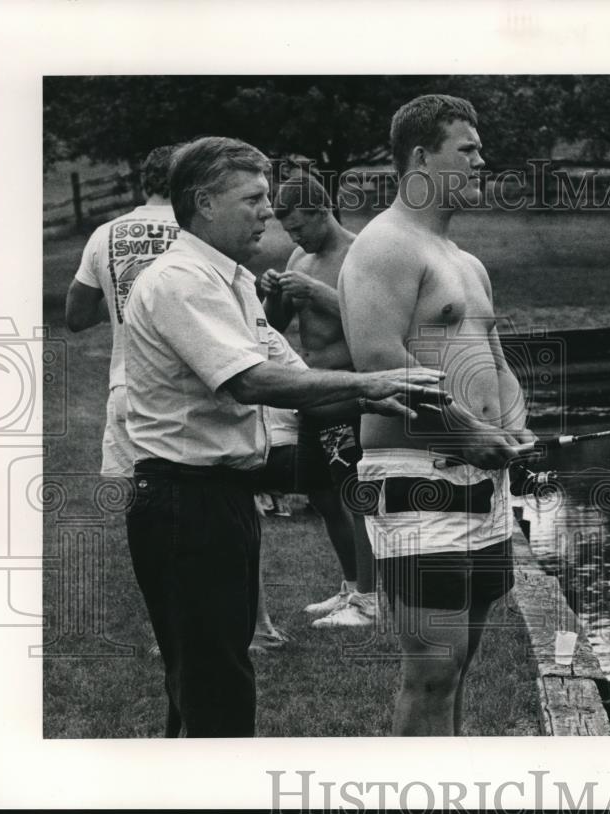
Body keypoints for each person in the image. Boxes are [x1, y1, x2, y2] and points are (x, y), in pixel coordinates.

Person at [123, 135, 447, 737]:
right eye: (253, 198)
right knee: (212, 681)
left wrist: (376, 391)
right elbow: (249, 380)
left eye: (268, 198)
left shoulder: (233, 280)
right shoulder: (181, 281)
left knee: (211, 672)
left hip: (221, 496)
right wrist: (370, 381)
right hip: (183, 501)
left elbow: (289, 366)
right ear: (203, 204)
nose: (269, 212)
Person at [339, 95, 537, 736]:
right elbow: (380, 365)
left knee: (460, 665)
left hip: (482, 480)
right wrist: (469, 432)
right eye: (468, 150)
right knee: (429, 671)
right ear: (421, 158)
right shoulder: (385, 246)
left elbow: (495, 360)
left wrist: (513, 423)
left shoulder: (464, 260)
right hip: (416, 480)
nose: (483, 160)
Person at [262, 172, 376, 627]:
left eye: (299, 227)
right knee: (323, 497)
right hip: (312, 393)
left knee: (357, 496)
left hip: (350, 394)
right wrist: (273, 295)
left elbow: (374, 325)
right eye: (287, 231)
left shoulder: (362, 256)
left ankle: (371, 599)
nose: (294, 237)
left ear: (320, 210)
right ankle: (350, 588)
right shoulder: (299, 257)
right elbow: (273, 327)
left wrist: (320, 295)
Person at [64, 144, 179, 477]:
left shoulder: (105, 234)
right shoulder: (202, 232)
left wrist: (123, 298)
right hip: (189, 388)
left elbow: (77, 316)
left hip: (127, 385)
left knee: (139, 501)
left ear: (145, 183)